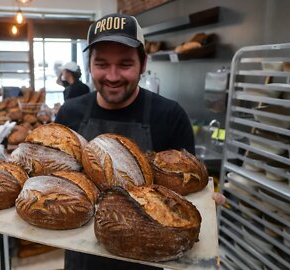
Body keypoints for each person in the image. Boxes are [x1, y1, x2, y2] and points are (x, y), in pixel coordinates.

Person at [54, 13, 197, 270]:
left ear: (143, 64)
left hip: (147, 255)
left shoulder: (170, 115)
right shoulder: (69, 113)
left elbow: (188, 190)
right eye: (102, 64)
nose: (112, 75)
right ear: (89, 65)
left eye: (124, 64)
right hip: (83, 255)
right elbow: (57, 183)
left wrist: (206, 200)